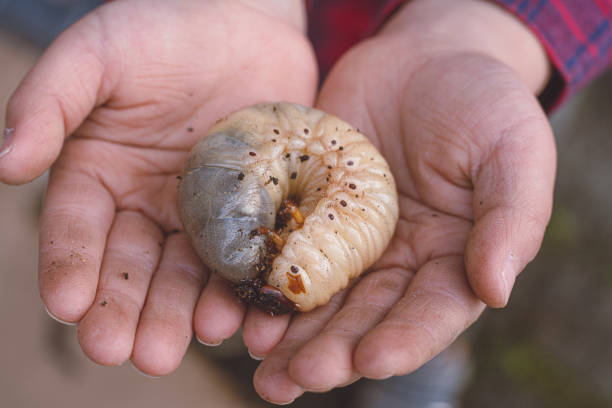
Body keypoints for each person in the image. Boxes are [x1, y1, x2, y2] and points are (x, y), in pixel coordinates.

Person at [1, 0, 610, 405]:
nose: (275, 256)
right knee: (428, 269)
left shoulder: (330, 192)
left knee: (440, 258)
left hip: (421, 80)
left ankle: (419, 386)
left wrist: (492, 25)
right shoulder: (283, 192)